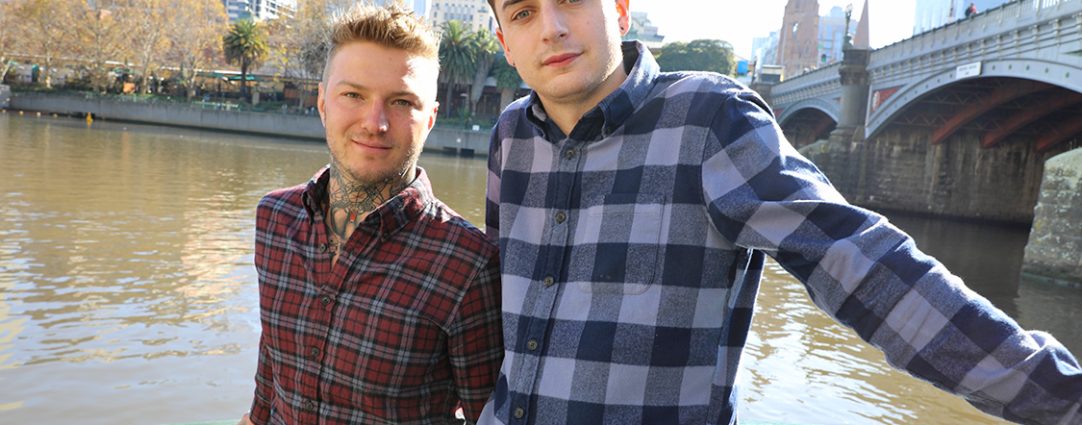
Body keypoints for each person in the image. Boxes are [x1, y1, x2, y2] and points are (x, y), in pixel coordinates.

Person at [479, 0, 1082, 424]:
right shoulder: (511, 136)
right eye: (523, 12)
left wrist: (1060, 395)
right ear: (505, 43)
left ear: (619, 9)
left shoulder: (708, 119)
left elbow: (862, 266)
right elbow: (504, 300)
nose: (551, 28)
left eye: (571, 0)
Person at [239, 5, 503, 425]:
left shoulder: (468, 263)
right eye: (353, 95)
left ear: (430, 118)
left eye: (401, 102)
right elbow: (273, 361)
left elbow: (485, 415)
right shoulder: (275, 218)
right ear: (322, 102)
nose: (374, 122)